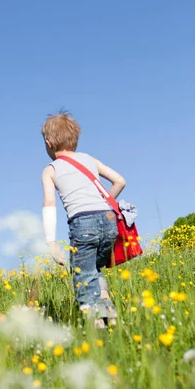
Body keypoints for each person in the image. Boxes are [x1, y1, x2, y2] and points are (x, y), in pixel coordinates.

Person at [41, 111, 126, 328]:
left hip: (83, 224)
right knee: (94, 270)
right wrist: (105, 206)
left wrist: (51, 243)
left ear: (49, 144)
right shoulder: (89, 159)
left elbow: (49, 204)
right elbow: (119, 181)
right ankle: (107, 308)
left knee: (82, 275)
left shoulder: (50, 170)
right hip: (108, 221)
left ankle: (97, 326)